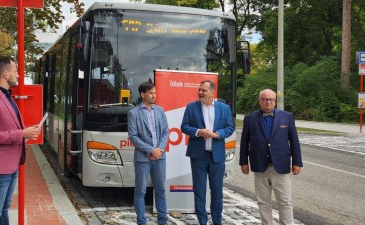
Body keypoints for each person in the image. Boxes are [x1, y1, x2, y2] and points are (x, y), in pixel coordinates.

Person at [0, 57, 41, 224]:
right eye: (16, 71)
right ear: (5, 73)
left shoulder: (6, 96)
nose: (19, 76)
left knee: (3, 209)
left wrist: (25, 133)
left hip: (10, 163)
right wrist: (22, 134)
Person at [239, 89, 303, 225]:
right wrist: (243, 162)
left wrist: (297, 162)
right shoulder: (250, 118)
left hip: (280, 166)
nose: (268, 102)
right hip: (259, 165)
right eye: (264, 99)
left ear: (275, 101)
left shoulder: (286, 117)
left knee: (285, 201)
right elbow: (244, 142)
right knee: (263, 202)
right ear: (259, 100)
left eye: (271, 99)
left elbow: (294, 141)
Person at [181, 80, 234, 225]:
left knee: (217, 192)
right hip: (198, 156)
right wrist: (198, 131)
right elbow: (184, 127)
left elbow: (230, 128)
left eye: (203, 90)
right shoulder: (191, 107)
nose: (200, 93)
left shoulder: (224, 108)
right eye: (199, 90)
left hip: (217, 156)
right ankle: (202, 221)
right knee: (199, 192)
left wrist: (217, 134)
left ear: (212, 92)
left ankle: (217, 221)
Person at [127, 82, 169, 225]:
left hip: (160, 157)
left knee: (160, 190)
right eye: (151, 93)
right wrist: (151, 150)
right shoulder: (133, 113)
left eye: (155, 93)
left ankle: (163, 221)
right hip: (142, 159)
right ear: (142, 94)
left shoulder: (160, 111)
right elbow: (133, 137)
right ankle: (141, 222)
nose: (154, 95)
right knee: (140, 191)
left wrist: (159, 150)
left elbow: (165, 132)